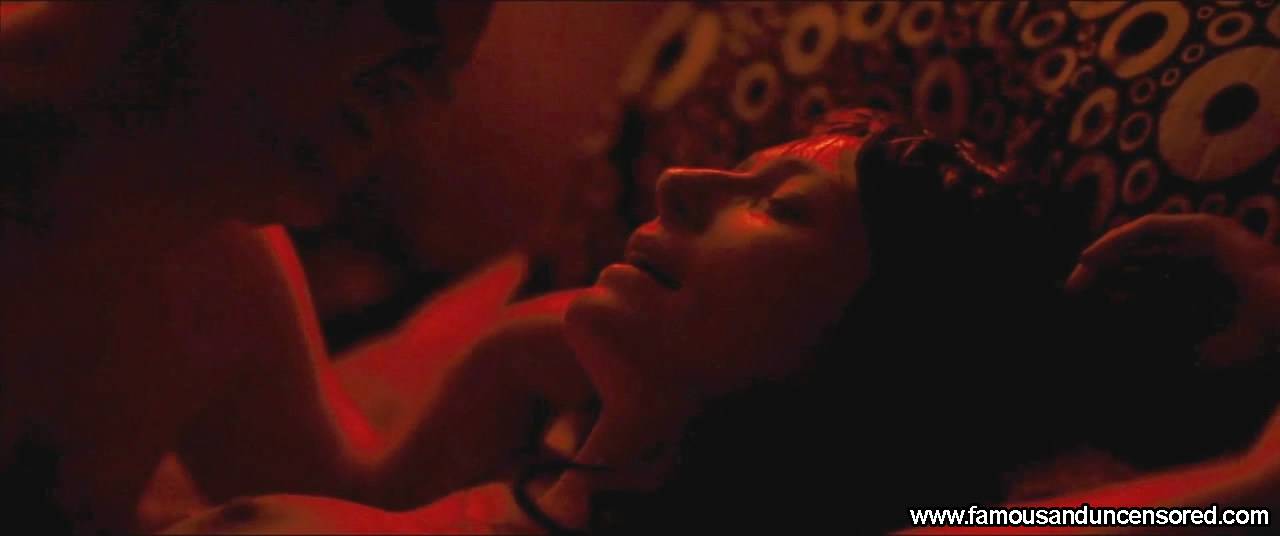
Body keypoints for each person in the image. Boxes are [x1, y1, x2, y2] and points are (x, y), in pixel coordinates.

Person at [163, 109, 1280, 533]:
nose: (678, 181)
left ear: (874, 362)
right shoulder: (511, 428)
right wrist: (517, 350)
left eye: (777, 206)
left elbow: (1230, 505)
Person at [0, 2, 581, 533]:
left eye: (441, 68)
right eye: (407, 13)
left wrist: (513, 361)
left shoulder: (213, 261)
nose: (429, 95)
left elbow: (336, 502)